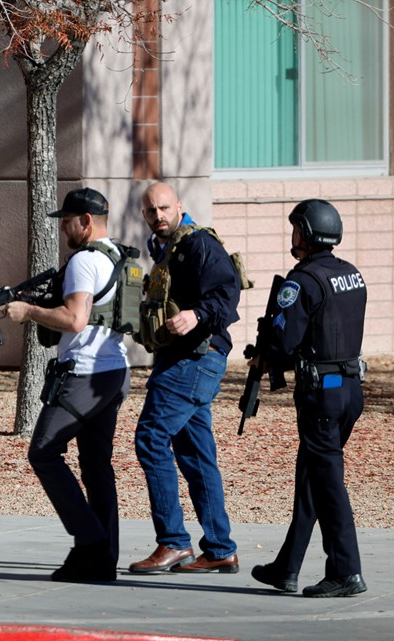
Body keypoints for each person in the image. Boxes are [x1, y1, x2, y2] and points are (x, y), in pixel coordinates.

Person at [0, 187, 131, 582]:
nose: (64, 228)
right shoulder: (120, 257)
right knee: (95, 465)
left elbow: (74, 319)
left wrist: (29, 311)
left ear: (86, 221)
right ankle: (101, 560)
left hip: (85, 374)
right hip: (114, 372)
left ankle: (90, 541)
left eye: (68, 221)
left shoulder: (84, 261)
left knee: (43, 451)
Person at [250, 199, 368, 598]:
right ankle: (287, 567)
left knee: (328, 481)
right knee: (313, 478)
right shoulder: (351, 275)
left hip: (322, 396)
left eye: (296, 228)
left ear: (307, 233)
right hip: (351, 389)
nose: (293, 235)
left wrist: (268, 348)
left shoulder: (301, 281)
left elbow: (285, 341)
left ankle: (345, 571)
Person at [129, 181, 241, 575]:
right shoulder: (164, 248)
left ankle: (174, 543)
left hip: (195, 358)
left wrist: (196, 314)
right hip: (181, 359)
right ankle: (220, 548)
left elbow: (227, 293)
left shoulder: (197, 244)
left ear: (178, 206)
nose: (157, 216)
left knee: (150, 437)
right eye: (150, 211)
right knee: (195, 453)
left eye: (163, 208)